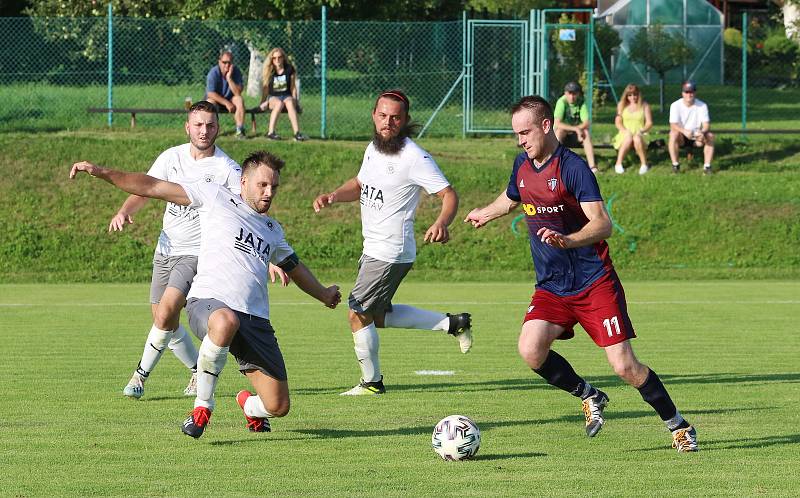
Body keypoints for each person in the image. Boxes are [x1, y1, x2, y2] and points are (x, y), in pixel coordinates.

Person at [464, 95, 698, 452]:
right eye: (516, 134)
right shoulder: (522, 165)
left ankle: (678, 425)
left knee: (624, 367)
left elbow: (602, 225)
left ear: (546, 125)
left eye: (525, 132)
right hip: (552, 287)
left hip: (593, 284)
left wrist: (567, 240)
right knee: (530, 349)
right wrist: (486, 212)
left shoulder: (573, 168)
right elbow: (512, 197)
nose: (521, 140)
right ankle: (589, 396)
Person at [70, 151, 342, 439]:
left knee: (278, 405)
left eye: (274, 187)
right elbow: (151, 186)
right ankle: (202, 407)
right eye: (262, 185)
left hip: (254, 321)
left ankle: (248, 407)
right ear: (243, 181)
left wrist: (324, 294)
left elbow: (295, 268)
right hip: (209, 304)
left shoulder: (272, 230)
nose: (269, 192)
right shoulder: (214, 197)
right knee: (225, 321)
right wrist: (102, 172)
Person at [312, 89, 473, 396]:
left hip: (390, 249)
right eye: (383, 116)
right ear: (374, 116)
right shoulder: (373, 149)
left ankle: (371, 383)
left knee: (357, 313)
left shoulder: (414, 157)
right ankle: (453, 323)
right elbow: (360, 185)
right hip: (373, 247)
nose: (388, 122)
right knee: (378, 316)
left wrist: (441, 222)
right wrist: (333, 195)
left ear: (405, 120)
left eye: (395, 118)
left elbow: (448, 194)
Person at [110, 100, 247, 400]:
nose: (204, 130)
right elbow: (145, 188)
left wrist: (268, 255)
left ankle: (139, 377)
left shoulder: (227, 169)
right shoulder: (171, 158)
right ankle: (198, 371)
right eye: (198, 124)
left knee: (167, 311)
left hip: (197, 253)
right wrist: (124, 210)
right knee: (165, 322)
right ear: (187, 127)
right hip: (165, 250)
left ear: (218, 128)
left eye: (210, 125)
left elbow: (246, 211)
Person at [259, 47, 307, 141]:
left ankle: (297, 133)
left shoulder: (289, 69)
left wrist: (296, 101)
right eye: (274, 58)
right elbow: (265, 89)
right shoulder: (270, 71)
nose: (277, 60)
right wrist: (263, 102)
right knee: (279, 103)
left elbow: (293, 87)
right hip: (273, 97)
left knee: (289, 102)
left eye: (279, 57)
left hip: (287, 96)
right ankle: (271, 132)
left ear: (283, 58)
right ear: (271, 59)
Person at [668, 80, 715, 175]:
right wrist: (684, 131)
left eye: (691, 92)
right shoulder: (675, 105)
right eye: (687, 92)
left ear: (695, 93)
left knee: (710, 136)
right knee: (673, 134)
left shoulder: (702, 105)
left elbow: (706, 124)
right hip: (681, 136)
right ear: (682, 93)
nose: (689, 94)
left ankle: (707, 166)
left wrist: (702, 132)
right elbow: (673, 125)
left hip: (696, 136)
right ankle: (675, 165)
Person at [553, 82, 597, 173]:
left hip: (576, 135)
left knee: (586, 133)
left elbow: (586, 122)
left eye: (574, 94)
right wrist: (576, 129)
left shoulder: (581, 102)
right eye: (569, 93)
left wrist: (577, 129)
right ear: (565, 93)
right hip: (563, 135)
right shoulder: (561, 102)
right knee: (559, 131)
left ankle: (592, 166)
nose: (572, 96)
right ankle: (554, 163)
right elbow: (557, 124)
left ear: (578, 94)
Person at [612, 84, 653, 175]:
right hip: (625, 133)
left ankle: (644, 164)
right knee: (629, 137)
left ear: (638, 94)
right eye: (630, 95)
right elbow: (618, 122)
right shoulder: (621, 105)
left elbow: (649, 123)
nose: (633, 97)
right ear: (626, 96)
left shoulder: (644, 106)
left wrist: (642, 131)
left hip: (640, 133)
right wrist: (624, 131)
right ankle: (618, 164)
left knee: (637, 138)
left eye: (635, 94)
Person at [205, 49, 246, 139]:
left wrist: (229, 78)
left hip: (231, 100)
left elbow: (238, 93)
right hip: (217, 101)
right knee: (210, 102)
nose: (227, 65)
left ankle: (240, 130)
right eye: (224, 62)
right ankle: (210, 131)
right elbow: (210, 93)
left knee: (239, 99)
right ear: (219, 62)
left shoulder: (236, 72)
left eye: (229, 62)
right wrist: (226, 103)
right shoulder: (213, 73)